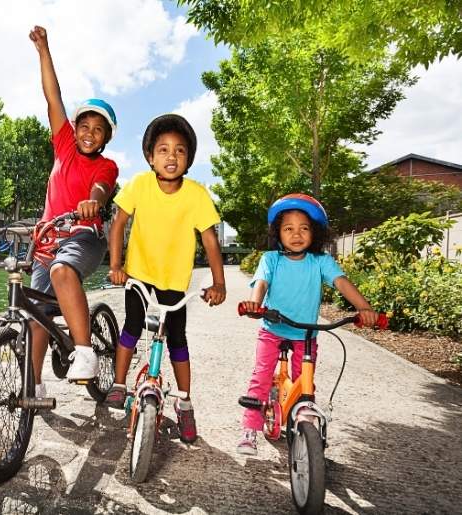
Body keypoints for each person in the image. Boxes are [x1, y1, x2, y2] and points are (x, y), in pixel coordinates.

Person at [106, 113, 227, 443]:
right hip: (140, 276)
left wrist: (219, 283)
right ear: (150, 156)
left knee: (177, 338)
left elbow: (210, 238)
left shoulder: (196, 194)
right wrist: (117, 264)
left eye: (179, 151)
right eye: (163, 149)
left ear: (188, 159)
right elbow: (118, 224)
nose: (171, 157)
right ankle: (119, 384)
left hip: (174, 282)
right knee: (132, 324)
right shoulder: (139, 185)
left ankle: (185, 402)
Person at [235, 194, 379, 455]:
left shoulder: (321, 261)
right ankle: (249, 429)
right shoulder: (271, 259)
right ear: (277, 233)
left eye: (304, 228)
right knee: (262, 377)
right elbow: (261, 284)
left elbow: (341, 283)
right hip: (273, 330)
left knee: (306, 383)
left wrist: (364, 308)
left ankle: (304, 422)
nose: (296, 234)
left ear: (316, 233)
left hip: (306, 334)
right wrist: (255, 304)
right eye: (288, 228)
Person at [28, 25, 119, 395]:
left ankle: (85, 351)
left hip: (83, 236)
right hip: (47, 240)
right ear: (75, 128)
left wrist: (93, 203)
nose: (89, 132)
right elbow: (53, 96)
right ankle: (31, 386)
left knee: (64, 271)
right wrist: (43, 50)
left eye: (99, 130)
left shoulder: (106, 166)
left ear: (106, 138)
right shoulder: (64, 146)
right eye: (85, 125)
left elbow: (101, 188)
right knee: (35, 315)